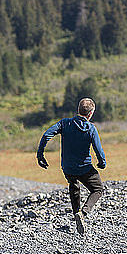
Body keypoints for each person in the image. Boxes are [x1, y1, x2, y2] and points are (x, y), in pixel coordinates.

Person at [36, 97, 106, 235]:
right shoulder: (91, 129)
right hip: (85, 168)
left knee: (73, 185)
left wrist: (40, 154)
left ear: (78, 110)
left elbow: (46, 135)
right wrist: (102, 162)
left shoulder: (64, 123)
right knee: (98, 189)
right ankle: (84, 212)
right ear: (91, 113)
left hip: (67, 168)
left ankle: (76, 213)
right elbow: (98, 149)